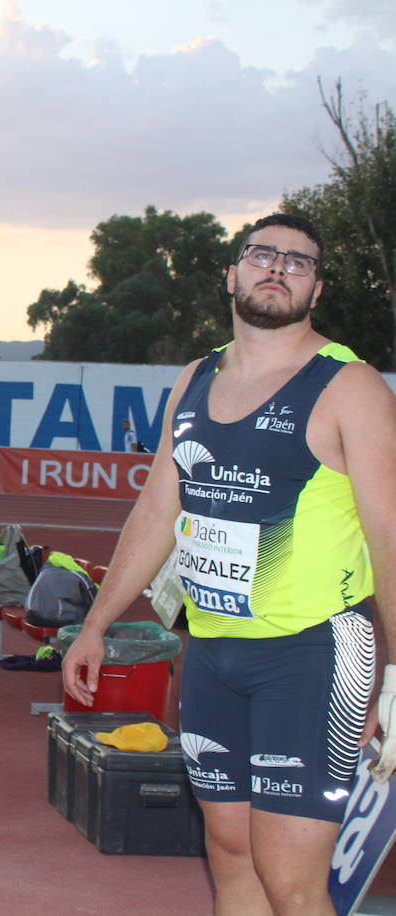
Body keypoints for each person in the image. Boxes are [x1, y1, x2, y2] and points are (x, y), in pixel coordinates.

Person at [62, 213, 396, 913]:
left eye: (297, 262)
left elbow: (391, 535)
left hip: (311, 653)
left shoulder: (350, 387)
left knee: (291, 879)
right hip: (213, 652)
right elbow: (157, 511)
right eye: (262, 254)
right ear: (233, 273)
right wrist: (96, 624)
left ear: (317, 290)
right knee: (231, 856)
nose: (277, 267)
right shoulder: (196, 378)